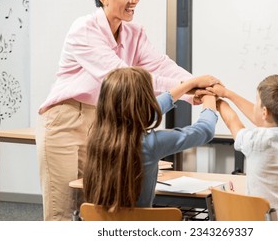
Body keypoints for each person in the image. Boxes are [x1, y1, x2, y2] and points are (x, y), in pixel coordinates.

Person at [36, 0, 199, 221]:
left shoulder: (135, 32)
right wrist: (185, 90)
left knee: (95, 207)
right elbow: (123, 78)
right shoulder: (84, 29)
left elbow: (161, 65)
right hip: (65, 121)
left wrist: (197, 87)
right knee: (63, 211)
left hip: (101, 123)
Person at [83, 67, 219, 210]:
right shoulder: (150, 143)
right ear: (145, 101)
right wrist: (209, 98)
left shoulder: (96, 138)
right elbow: (204, 131)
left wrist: (189, 85)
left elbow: (144, 112)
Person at [208, 74, 278, 221]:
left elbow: (232, 122)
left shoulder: (256, 141)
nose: (254, 105)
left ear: (265, 112)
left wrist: (218, 102)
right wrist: (227, 93)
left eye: (256, 102)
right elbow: (261, 119)